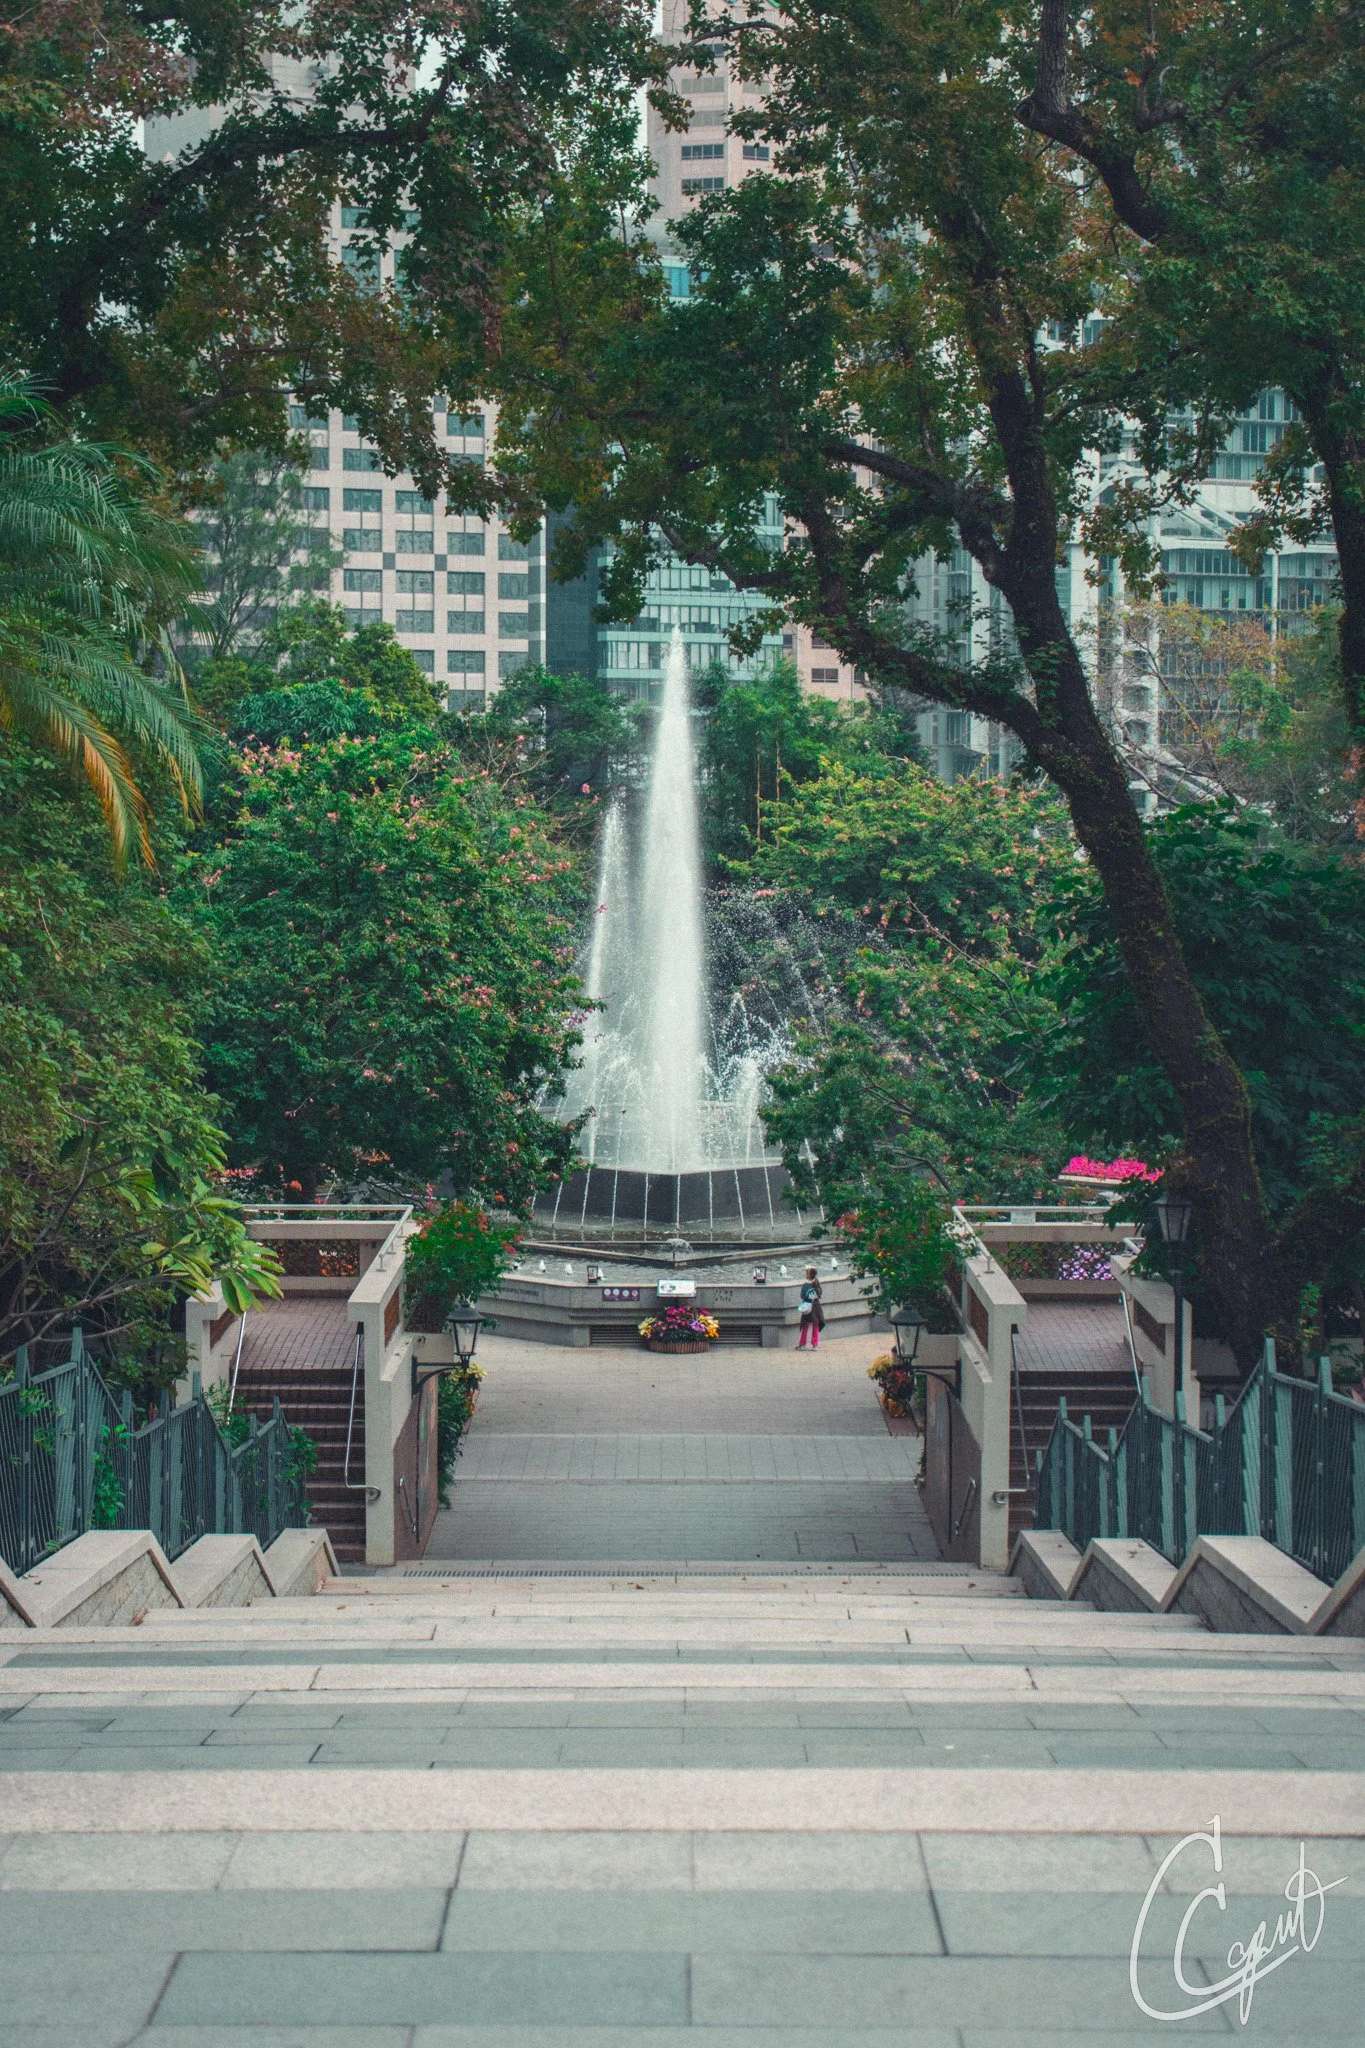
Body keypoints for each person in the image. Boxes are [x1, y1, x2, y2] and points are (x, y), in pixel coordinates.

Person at [797, 1266, 824, 1349]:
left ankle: (802, 1345)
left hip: (807, 1307)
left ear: (808, 1275)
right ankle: (815, 1345)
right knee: (816, 1325)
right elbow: (820, 1294)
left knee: (805, 1325)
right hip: (816, 1306)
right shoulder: (816, 1284)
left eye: (807, 1273)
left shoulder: (805, 1286)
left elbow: (802, 1296)